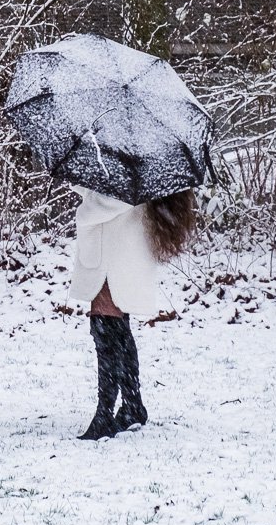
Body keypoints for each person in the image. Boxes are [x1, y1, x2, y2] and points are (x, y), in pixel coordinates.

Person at [69, 185, 196, 440]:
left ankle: (105, 413)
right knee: (117, 330)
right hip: (116, 256)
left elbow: (114, 199)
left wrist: (84, 210)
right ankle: (132, 405)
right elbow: (101, 191)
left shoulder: (128, 164)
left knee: (105, 330)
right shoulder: (123, 162)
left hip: (113, 259)